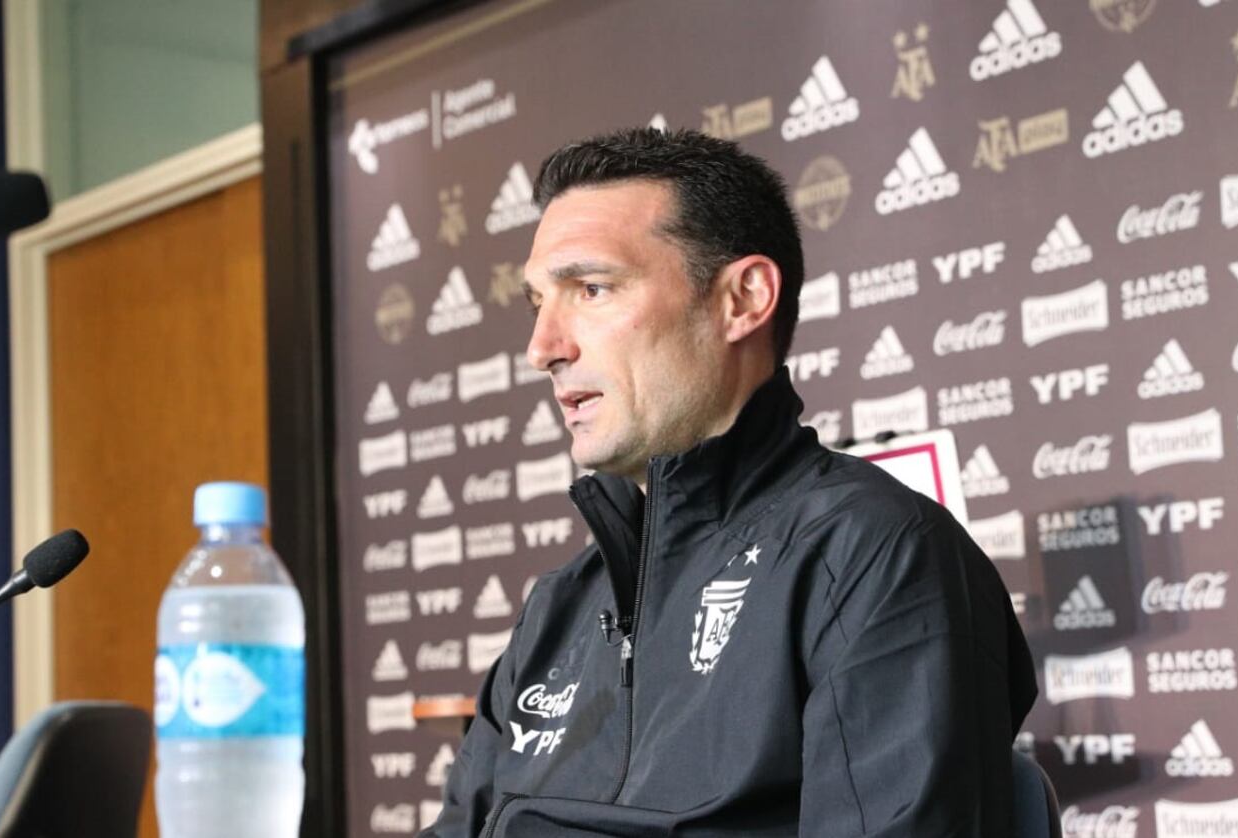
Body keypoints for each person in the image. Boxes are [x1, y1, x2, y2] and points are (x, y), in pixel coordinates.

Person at [422, 128, 1036, 837]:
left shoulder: (877, 555)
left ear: (743, 300)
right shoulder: (560, 606)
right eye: (537, 303)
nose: (543, 349)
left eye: (591, 289)